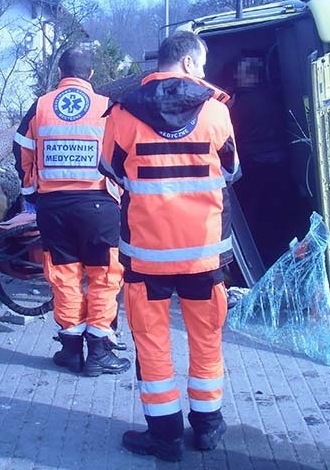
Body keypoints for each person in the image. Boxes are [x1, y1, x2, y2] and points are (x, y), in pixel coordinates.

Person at [99, 31, 240, 461]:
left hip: (147, 256)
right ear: (191, 64)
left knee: (153, 344)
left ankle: (165, 439)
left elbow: (111, 171)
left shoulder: (121, 115)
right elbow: (232, 171)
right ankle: (208, 428)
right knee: (206, 340)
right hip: (204, 254)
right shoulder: (217, 113)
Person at [13, 46, 130, 377]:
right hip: (99, 205)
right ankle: (99, 353)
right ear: (91, 75)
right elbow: (125, 152)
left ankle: (69, 349)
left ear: (60, 72)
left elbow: (22, 148)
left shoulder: (40, 106)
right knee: (104, 277)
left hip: (54, 207)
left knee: (64, 277)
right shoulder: (108, 107)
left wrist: (31, 191)